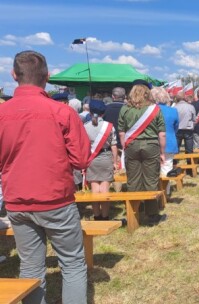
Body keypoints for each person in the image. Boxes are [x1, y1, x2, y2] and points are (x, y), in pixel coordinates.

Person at [0, 50, 90, 303]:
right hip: (56, 199)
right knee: (72, 264)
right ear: (47, 77)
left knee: (30, 268)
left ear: (14, 75)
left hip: (17, 200)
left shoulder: (3, 113)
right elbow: (82, 159)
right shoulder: (61, 112)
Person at [118, 80, 166, 225]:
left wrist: (126, 147)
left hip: (131, 146)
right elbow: (162, 134)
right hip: (151, 146)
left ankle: (134, 213)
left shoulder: (125, 109)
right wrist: (162, 152)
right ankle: (152, 216)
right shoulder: (155, 109)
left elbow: (121, 133)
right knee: (151, 180)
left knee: (133, 181)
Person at [84, 99, 118, 220]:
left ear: (90, 112)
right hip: (105, 157)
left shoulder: (85, 127)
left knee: (94, 188)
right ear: (103, 113)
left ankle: (96, 215)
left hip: (91, 159)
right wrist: (115, 162)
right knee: (104, 189)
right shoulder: (109, 126)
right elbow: (114, 146)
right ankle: (105, 216)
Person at [151, 86, 179, 190]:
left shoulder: (150, 110)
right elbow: (176, 127)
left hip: (153, 142)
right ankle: (165, 192)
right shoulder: (173, 111)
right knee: (167, 167)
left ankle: (155, 190)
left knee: (153, 169)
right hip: (169, 141)